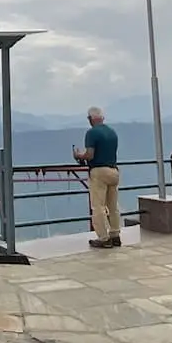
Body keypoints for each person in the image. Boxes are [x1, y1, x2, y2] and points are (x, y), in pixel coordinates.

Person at [73, 106, 121, 249]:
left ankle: (103, 238)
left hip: (99, 171)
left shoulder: (91, 133)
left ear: (90, 119)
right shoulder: (112, 132)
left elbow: (90, 155)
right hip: (114, 171)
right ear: (102, 118)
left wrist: (79, 155)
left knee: (98, 206)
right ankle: (115, 235)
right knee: (113, 206)